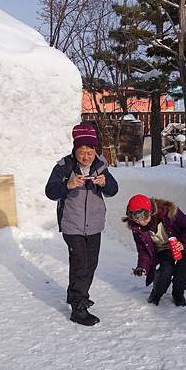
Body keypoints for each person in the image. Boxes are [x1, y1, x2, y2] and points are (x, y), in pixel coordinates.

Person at [45, 123, 119, 326]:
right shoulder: (64, 167)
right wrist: (67, 185)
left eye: (89, 151)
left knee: (90, 264)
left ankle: (78, 295)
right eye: (81, 152)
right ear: (75, 149)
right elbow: (50, 192)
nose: (86, 156)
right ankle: (78, 308)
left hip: (94, 225)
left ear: (95, 150)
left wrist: (105, 183)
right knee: (80, 264)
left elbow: (113, 190)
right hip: (72, 225)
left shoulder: (100, 165)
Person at [123, 194, 186, 306]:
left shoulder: (169, 212)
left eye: (144, 217)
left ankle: (178, 293)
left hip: (183, 243)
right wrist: (142, 266)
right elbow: (143, 250)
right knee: (165, 271)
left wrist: (183, 243)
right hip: (164, 249)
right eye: (136, 219)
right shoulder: (137, 228)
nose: (141, 222)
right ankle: (157, 293)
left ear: (150, 211)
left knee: (183, 270)